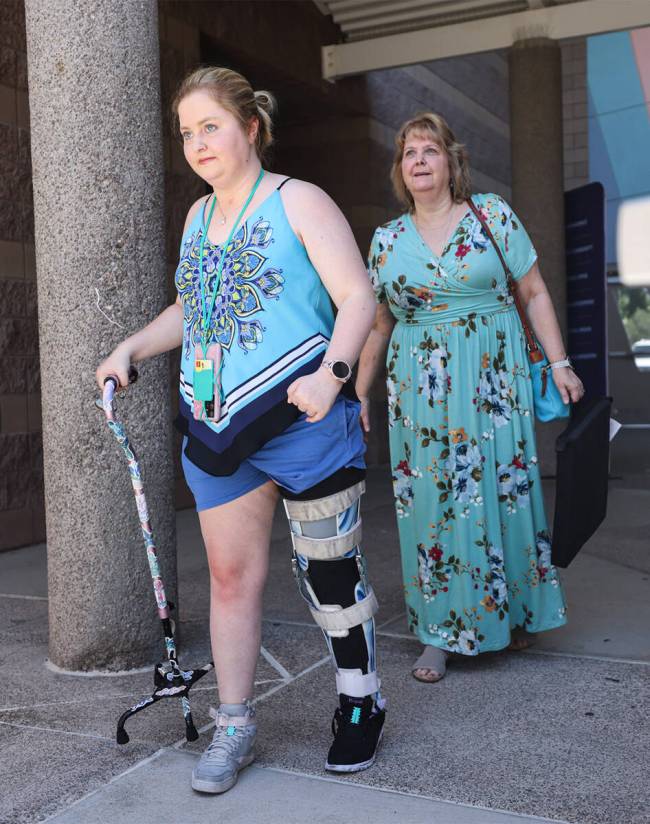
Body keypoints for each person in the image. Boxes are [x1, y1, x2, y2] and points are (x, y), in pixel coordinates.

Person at [96, 67, 386, 793]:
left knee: (331, 579)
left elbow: (358, 296)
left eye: (211, 126)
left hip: (307, 418)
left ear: (250, 127)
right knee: (230, 579)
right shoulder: (198, 219)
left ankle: (360, 700)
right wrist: (134, 345)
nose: (197, 142)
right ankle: (234, 726)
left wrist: (335, 375)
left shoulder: (300, 202)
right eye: (187, 132)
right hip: (221, 426)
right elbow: (194, 309)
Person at [356, 112, 584, 683]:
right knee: (432, 503)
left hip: (493, 384)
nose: (419, 161)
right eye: (409, 153)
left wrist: (559, 363)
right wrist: (356, 393)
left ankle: (513, 613)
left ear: (450, 161)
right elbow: (378, 326)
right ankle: (439, 632)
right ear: (400, 169)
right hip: (421, 396)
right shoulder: (386, 241)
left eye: (429, 150)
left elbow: (532, 292)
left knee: (502, 493)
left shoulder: (493, 216)